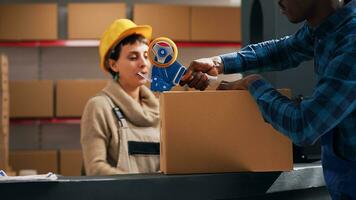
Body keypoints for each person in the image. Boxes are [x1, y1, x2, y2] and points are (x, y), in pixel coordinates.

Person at [181, 0, 356, 199]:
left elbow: (303, 125)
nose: (278, 2)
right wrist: (219, 62)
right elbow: (285, 50)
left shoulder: (352, 40)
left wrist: (252, 83)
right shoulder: (326, 28)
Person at [81, 19, 160, 175]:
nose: (143, 63)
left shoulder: (160, 108)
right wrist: (141, 187)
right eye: (133, 57)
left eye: (146, 55)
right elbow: (95, 168)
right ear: (113, 65)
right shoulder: (99, 107)